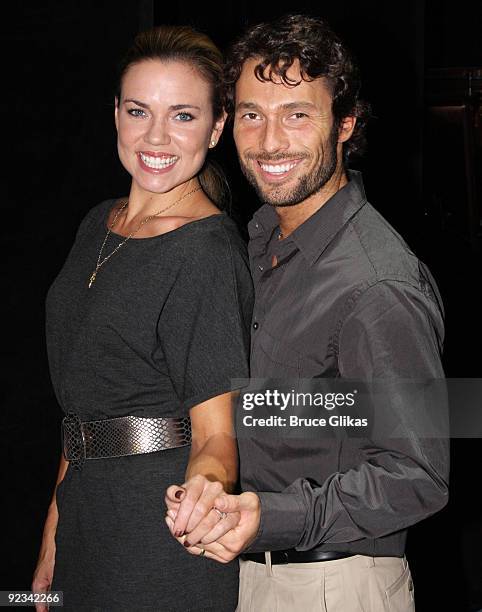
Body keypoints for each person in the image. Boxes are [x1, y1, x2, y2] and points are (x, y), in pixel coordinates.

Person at [165, 14, 449, 611]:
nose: (270, 141)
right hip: (259, 579)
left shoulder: (376, 282)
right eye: (252, 114)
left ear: (345, 124)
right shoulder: (259, 241)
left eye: (297, 114)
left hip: (335, 587)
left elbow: (418, 475)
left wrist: (271, 515)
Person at [32, 25, 253, 612]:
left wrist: (206, 490)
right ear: (116, 114)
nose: (156, 136)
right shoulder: (97, 224)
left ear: (217, 125)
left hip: (157, 536)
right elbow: (86, 404)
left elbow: (215, 433)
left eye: (183, 115)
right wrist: (53, 535)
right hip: (84, 517)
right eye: (138, 111)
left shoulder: (206, 252)